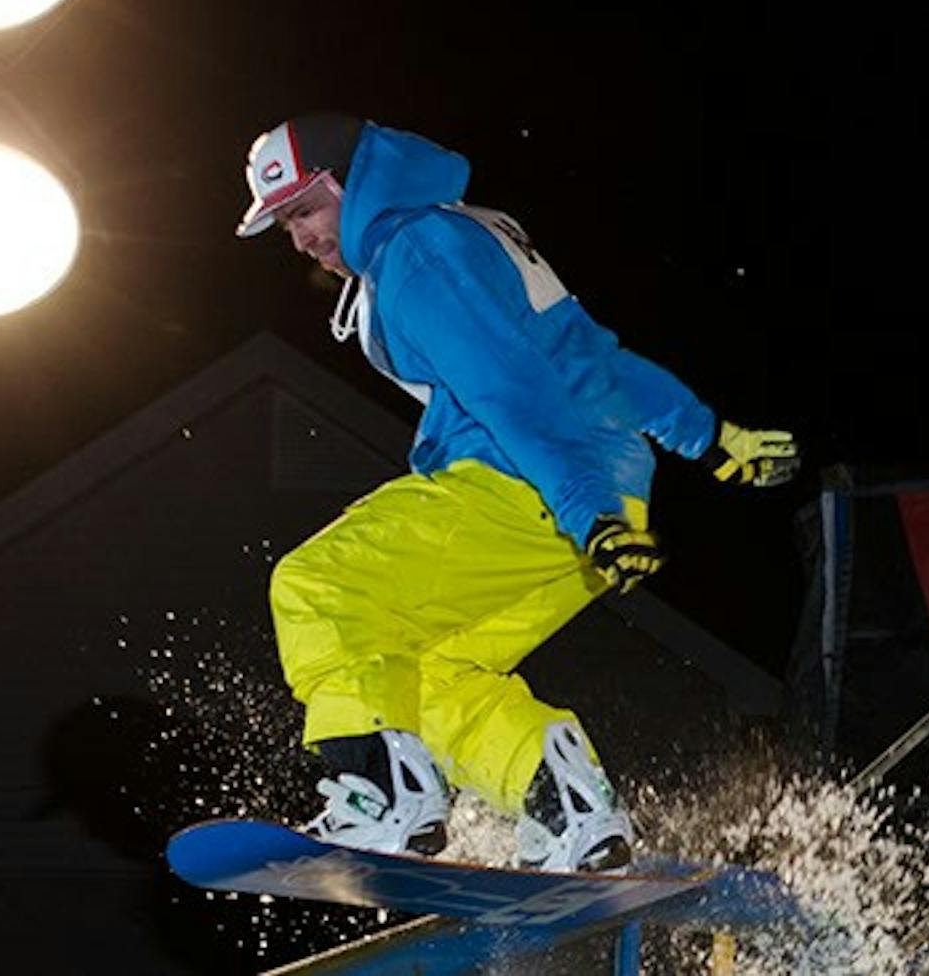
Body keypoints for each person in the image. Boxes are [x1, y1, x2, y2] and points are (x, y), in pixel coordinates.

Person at [235, 112, 800, 872]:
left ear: (352, 182)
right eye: (285, 226)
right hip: (593, 506)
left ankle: (382, 796)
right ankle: (564, 805)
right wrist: (708, 436)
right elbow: (591, 359)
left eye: (306, 211)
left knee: (320, 588)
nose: (301, 239)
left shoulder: (415, 251)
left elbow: (509, 392)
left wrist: (585, 507)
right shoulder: (469, 230)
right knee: (429, 676)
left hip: (528, 486)